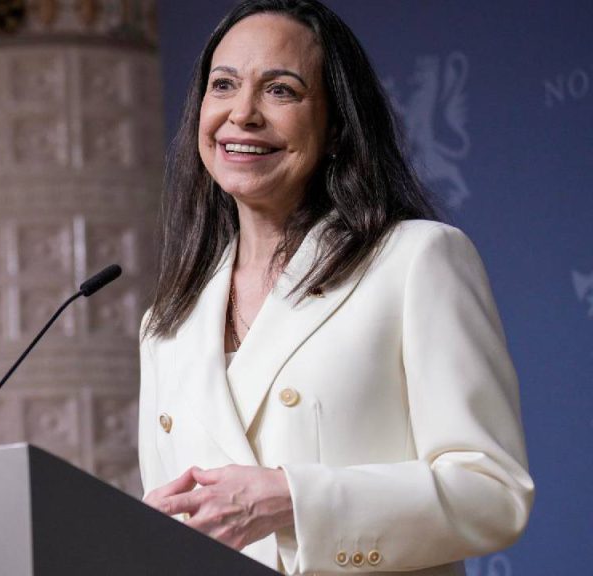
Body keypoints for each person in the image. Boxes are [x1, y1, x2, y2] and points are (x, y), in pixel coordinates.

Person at [137, 1, 534, 574]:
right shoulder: (165, 324)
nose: (242, 113)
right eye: (223, 85)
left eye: (281, 90)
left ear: (336, 127)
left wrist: (294, 500)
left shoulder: (416, 260)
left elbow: (493, 493)